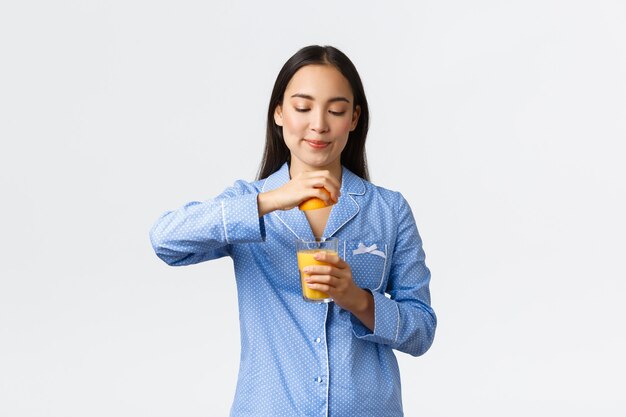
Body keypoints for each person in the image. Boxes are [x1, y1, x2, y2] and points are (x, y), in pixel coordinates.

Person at [149, 45, 436, 417]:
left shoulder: (388, 210)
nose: (319, 124)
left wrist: (359, 300)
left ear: (353, 118)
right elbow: (165, 240)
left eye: (335, 110)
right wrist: (271, 200)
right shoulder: (248, 202)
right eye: (303, 108)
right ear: (280, 113)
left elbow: (422, 331)